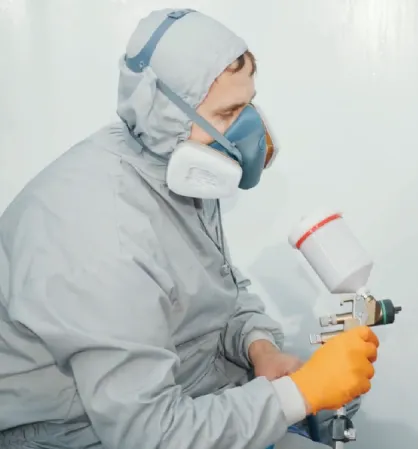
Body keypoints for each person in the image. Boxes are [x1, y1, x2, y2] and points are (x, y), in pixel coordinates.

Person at [0, 8, 379, 449]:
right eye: (229, 112)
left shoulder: (171, 164)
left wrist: (259, 347)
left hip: (177, 400)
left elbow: (218, 291)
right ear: (166, 114)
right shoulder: (103, 237)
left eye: (248, 104)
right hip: (77, 433)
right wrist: (300, 394)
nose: (248, 131)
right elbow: (150, 434)